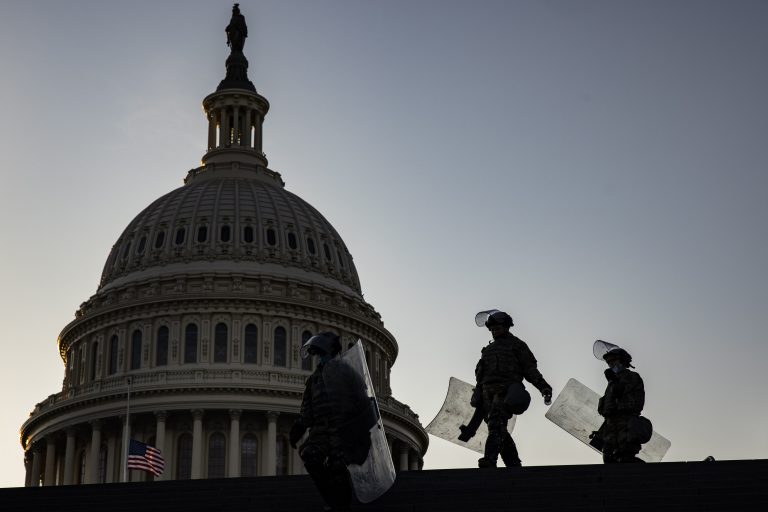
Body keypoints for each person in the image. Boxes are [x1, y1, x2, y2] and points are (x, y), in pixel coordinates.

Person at [289, 332, 374, 512]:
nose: (318, 358)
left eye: (320, 354)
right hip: (320, 431)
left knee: (337, 465)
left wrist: (361, 426)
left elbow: (362, 398)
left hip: (342, 429)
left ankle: (342, 504)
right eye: (317, 355)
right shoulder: (314, 379)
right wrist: (298, 427)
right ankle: (332, 499)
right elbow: (307, 410)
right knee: (310, 456)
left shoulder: (346, 372)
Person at [462, 310, 553, 468]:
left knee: (496, 425)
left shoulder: (517, 345)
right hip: (486, 395)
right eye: (492, 328)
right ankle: (513, 463)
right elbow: (481, 376)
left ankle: (490, 460)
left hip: (505, 392)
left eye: (498, 327)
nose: (494, 330)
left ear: (506, 327)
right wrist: (478, 394)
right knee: (500, 430)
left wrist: (543, 386)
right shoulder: (487, 350)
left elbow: (529, 369)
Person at [595, 347, 646, 463]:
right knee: (608, 458)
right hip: (610, 426)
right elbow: (610, 408)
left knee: (625, 457)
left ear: (622, 361)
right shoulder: (612, 381)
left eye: (613, 360)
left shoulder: (632, 377)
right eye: (609, 362)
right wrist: (601, 432)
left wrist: (613, 380)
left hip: (626, 424)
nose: (611, 364)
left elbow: (620, 393)